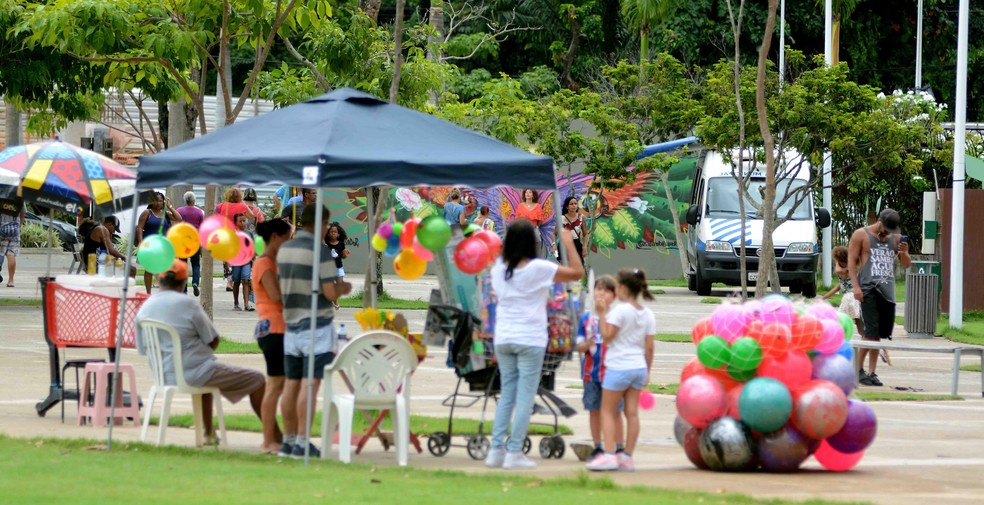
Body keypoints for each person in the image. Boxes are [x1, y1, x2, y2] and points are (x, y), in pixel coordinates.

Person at [134, 260, 269, 447]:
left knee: (205, 376)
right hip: (196, 372)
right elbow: (213, 340)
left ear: (159, 279)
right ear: (184, 282)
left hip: (163, 374)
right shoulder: (188, 304)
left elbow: (142, 349)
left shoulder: (145, 308)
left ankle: (208, 432)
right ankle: (274, 436)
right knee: (257, 380)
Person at [484, 219, 584, 470]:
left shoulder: (497, 269)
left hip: (504, 338)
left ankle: (496, 450)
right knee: (526, 396)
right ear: (532, 243)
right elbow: (577, 272)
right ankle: (514, 451)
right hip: (530, 338)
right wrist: (568, 242)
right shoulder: (538, 268)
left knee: (507, 393)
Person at [277, 204, 352, 458]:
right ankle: (301, 441)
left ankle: (287, 441)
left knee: (291, 385)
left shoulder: (285, 249)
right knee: (310, 385)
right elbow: (330, 292)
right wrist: (344, 288)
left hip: (291, 323)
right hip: (316, 325)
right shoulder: (320, 251)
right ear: (319, 223)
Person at [585, 268, 656, 472]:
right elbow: (649, 347)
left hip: (618, 367)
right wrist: (647, 371)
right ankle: (627, 456)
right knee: (631, 413)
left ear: (623, 288)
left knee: (607, 410)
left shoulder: (620, 310)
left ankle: (609, 454)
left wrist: (600, 314)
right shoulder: (647, 313)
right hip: (638, 368)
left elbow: (607, 336)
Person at [848, 208, 911, 387]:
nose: (886, 232)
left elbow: (906, 264)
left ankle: (871, 372)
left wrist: (905, 252)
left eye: (891, 230)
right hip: (868, 289)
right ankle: (857, 370)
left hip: (887, 291)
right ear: (879, 220)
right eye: (885, 228)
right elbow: (852, 261)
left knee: (878, 335)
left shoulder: (897, 238)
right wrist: (856, 286)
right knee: (870, 333)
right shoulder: (861, 235)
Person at [252, 218, 294, 454]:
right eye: (287, 238)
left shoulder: (274, 262)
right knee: (275, 386)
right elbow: (277, 296)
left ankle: (275, 438)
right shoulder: (265, 263)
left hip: (281, 328)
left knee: (280, 385)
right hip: (274, 329)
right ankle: (268, 440)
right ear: (276, 237)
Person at [576, 275, 626, 463]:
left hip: (612, 374)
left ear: (614, 296)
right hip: (591, 373)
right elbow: (579, 345)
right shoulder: (586, 319)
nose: (601, 293)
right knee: (594, 410)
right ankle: (598, 446)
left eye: (606, 290)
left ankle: (618, 447)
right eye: (598, 289)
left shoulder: (616, 318)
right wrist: (586, 343)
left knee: (615, 411)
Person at [136, 191, 182, 294]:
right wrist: (140, 242)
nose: (158, 203)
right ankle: (148, 293)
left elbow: (179, 218)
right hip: (150, 246)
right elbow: (139, 228)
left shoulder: (165, 213)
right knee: (149, 269)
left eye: (161, 201)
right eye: (156, 200)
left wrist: (170, 207)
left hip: (164, 247)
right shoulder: (147, 213)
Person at [216, 188, 254, 291]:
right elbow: (251, 216)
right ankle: (237, 279)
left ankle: (229, 281)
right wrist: (243, 205)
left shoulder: (221, 206)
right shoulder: (241, 206)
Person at [177, 191, 205, 296]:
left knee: (183, 264)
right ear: (194, 200)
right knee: (195, 264)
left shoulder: (179, 210)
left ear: (185, 200)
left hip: (183, 241)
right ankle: (195, 282)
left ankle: (183, 289)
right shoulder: (199, 212)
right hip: (194, 240)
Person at [230, 213, 254, 312]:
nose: (242, 223)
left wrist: (254, 262)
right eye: (240, 221)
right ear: (235, 222)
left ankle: (246, 304)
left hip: (246, 261)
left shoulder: (249, 233)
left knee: (245, 280)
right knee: (236, 281)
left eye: (244, 221)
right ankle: (236, 303)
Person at [512, 188, 545, 255]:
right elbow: (517, 219)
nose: (528, 194)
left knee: (536, 251)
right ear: (524, 195)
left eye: (530, 192)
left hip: (534, 231)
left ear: (533, 195)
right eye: (526, 192)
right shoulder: (520, 205)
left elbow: (540, 220)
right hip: (522, 231)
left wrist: (536, 227)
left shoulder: (537, 206)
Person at [560, 195, 588, 266]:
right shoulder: (562, 218)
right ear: (567, 206)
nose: (574, 205)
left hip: (577, 244)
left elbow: (585, 234)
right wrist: (554, 245)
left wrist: (584, 247)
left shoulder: (581, 217)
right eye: (571, 204)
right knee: (567, 267)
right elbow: (554, 233)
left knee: (579, 266)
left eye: (575, 204)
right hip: (565, 245)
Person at [0, 207, 24, 287]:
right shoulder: (19, 197)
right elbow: (22, 213)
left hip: (1, 229)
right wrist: (19, 226)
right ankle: (11, 281)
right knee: (11, 255)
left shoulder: (2, 196)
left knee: (0, 253)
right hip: (14, 230)